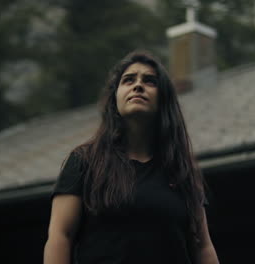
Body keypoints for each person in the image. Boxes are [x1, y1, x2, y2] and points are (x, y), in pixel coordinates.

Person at [44, 50, 219, 264]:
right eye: (128, 80)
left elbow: (202, 246)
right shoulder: (84, 161)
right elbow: (61, 236)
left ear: (163, 99)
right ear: (115, 97)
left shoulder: (182, 170)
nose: (138, 85)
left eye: (149, 81)